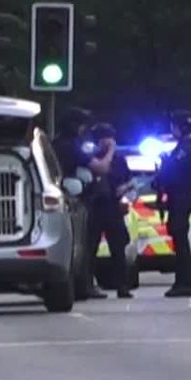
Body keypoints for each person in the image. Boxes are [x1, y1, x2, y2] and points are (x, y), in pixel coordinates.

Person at [52, 107, 114, 300]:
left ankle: (82, 284)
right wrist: (111, 149)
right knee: (85, 245)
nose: (83, 130)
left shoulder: (56, 144)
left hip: (64, 199)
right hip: (77, 201)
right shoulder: (71, 146)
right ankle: (84, 285)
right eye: (82, 126)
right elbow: (102, 167)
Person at [153, 110, 191, 298]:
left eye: (174, 125)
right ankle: (182, 281)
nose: (171, 129)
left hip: (181, 196)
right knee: (178, 238)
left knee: (181, 240)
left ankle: (184, 282)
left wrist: (165, 164)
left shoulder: (187, 148)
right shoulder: (184, 147)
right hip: (179, 196)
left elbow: (176, 171)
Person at [86, 123, 133, 299]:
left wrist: (124, 190)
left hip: (113, 206)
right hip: (95, 206)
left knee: (118, 248)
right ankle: (88, 284)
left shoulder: (119, 159)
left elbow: (128, 180)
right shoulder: (91, 156)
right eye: (106, 137)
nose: (109, 141)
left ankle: (122, 286)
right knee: (90, 247)